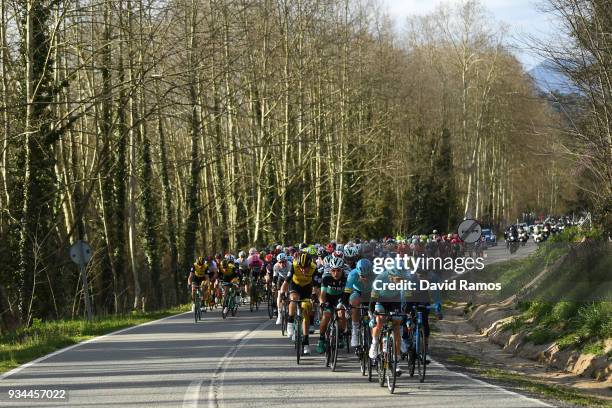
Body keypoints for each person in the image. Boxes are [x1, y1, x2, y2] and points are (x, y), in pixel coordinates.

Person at [286, 252, 317, 355]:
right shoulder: (294, 265)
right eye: (301, 267)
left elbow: (317, 286)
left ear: (310, 265)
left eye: (305, 267)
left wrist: (316, 297)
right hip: (295, 285)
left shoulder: (314, 267)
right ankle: (290, 323)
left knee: (306, 310)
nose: (303, 270)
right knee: (294, 299)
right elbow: (286, 281)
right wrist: (281, 293)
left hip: (306, 289)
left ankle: (306, 342)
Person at [316, 257, 349, 353]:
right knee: (326, 316)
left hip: (341, 298)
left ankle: (341, 335)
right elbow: (322, 294)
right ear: (330, 270)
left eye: (338, 270)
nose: (335, 273)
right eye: (333, 270)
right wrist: (322, 303)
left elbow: (348, 294)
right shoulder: (326, 277)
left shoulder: (346, 277)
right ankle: (321, 339)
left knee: (342, 314)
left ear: (342, 270)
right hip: (329, 298)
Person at [344, 258, 375, 347]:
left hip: (371, 293)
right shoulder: (353, 274)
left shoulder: (376, 273)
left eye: (367, 275)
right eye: (362, 276)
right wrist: (347, 307)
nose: (365, 278)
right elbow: (346, 293)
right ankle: (355, 330)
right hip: (358, 292)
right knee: (355, 302)